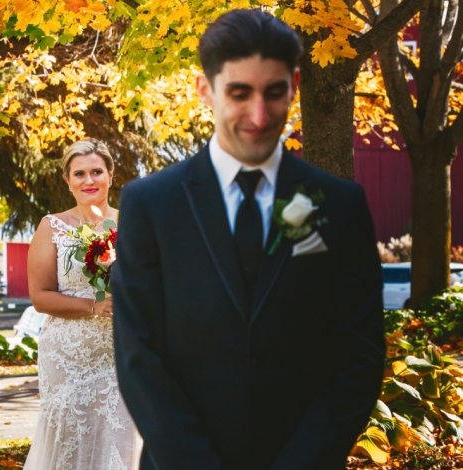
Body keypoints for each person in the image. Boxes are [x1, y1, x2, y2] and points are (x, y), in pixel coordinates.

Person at [112, 9, 385, 470]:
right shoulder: (151, 205)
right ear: (205, 90)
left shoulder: (337, 206)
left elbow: (357, 358)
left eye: (274, 93)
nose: (259, 116)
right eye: (239, 94)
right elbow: (139, 357)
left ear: (294, 86)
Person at [24, 138, 142, 470]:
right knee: (70, 445)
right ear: (68, 180)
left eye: (96, 172)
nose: (88, 181)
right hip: (67, 358)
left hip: (122, 353)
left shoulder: (133, 223)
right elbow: (40, 296)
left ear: (110, 174)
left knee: (123, 438)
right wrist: (93, 306)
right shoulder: (53, 228)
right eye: (79, 174)